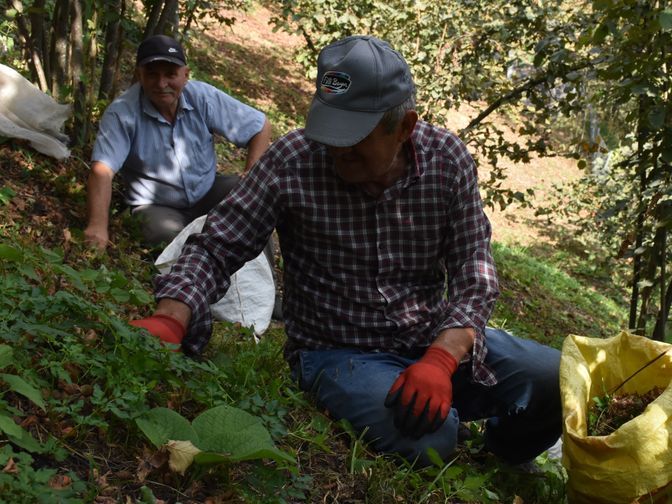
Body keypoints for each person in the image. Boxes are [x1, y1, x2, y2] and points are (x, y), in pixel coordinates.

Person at [131, 35, 561, 468]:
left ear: (405, 127)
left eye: (355, 138)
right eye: (331, 131)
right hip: (339, 350)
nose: (338, 151)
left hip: (430, 336)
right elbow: (219, 244)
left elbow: (475, 273)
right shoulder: (293, 161)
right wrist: (172, 315)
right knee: (427, 433)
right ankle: (443, 422)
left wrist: (442, 357)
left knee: (558, 379)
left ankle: (505, 453)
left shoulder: (446, 161)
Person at [84, 34, 272, 249]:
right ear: (140, 75)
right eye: (152, 75)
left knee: (255, 203)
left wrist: (251, 174)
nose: (162, 83)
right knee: (171, 241)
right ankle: (202, 273)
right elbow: (102, 170)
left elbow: (260, 126)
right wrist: (98, 225)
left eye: (170, 75)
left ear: (185, 75)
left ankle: (264, 279)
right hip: (156, 206)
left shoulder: (202, 97)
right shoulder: (122, 113)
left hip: (207, 192)